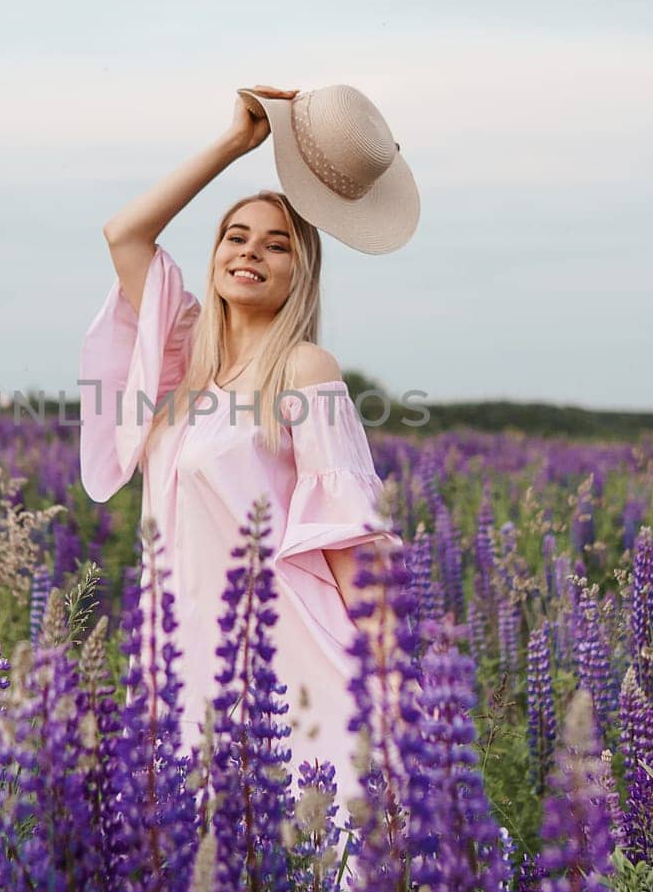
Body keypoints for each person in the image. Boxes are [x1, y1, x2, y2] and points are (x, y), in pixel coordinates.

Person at [78, 83, 420, 810]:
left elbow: (352, 532)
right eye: (236, 237)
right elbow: (124, 235)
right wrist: (234, 142)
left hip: (280, 647)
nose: (251, 254)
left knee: (323, 856)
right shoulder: (183, 361)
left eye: (276, 246)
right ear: (214, 254)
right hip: (180, 639)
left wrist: (391, 687)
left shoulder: (303, 368)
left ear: (302, 273)